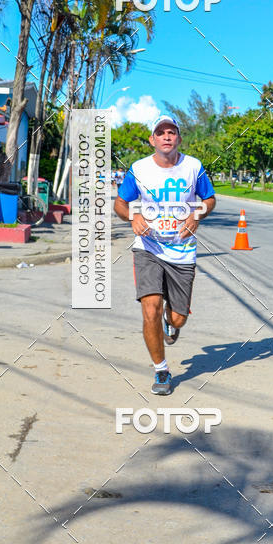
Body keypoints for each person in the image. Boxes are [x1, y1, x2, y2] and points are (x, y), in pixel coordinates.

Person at [113, 113, 216, 395]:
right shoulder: (139, 169)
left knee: (177, 318)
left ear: (179, 138)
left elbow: (210, 199)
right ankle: (161, 370)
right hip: (148, 249)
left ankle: (173, 324)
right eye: (161, 133)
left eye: (172, 132)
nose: (167, 136)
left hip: (183, 252)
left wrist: (197, 214)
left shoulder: (193, 167)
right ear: (152, 140)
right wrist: (132, 218)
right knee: (150, 309)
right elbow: (120, 204)